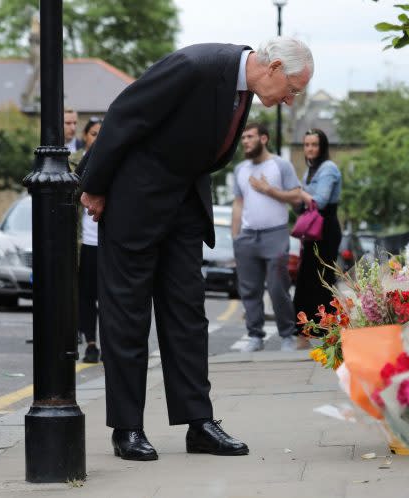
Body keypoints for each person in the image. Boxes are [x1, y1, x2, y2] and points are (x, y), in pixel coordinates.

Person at [78, 36, 313, 461]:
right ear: (274, 67)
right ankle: (127, 428)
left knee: (188, 315)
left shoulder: (243, 90)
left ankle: (198, 423)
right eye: (293, 88)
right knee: (127, 315)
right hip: (137, 201)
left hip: (184, 207)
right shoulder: (196, 65)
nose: (291, 101)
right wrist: (94, 186)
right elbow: (125, 115)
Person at [231, 123, 301, 353]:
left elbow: (297, 196)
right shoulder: (240, 169)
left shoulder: (280, 165)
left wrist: (268, 189)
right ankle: (255, 336)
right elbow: (238, 203)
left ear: (264, 139)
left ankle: (287, 336)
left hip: (275, 234)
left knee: (277, 287)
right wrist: (235, 236)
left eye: (250, 137)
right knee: (249, 290)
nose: (245, 142)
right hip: (247, 237)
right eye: (243, 138)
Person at [293, 129, 342, 338]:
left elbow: (320, 201)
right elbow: (303, 205)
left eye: (314, 145)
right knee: (307, 277)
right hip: (314, 231)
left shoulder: (328, 168)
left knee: (322, 278)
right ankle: (308, 326)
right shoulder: (310, 171)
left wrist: (298, 193)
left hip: (326, 229)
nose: (310, 149)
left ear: (322, 147)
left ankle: (325, 327)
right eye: (307, 145)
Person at [70, 117, 102, 362]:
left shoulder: (116, 161)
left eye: (102, 134)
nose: (97, 138)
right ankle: (91, 342)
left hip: (110, 243)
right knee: (87, 296)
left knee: (111, 297)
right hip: (86, 244)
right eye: (93, 134)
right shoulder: (73, 162)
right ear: (85, 136)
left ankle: (111, 344)